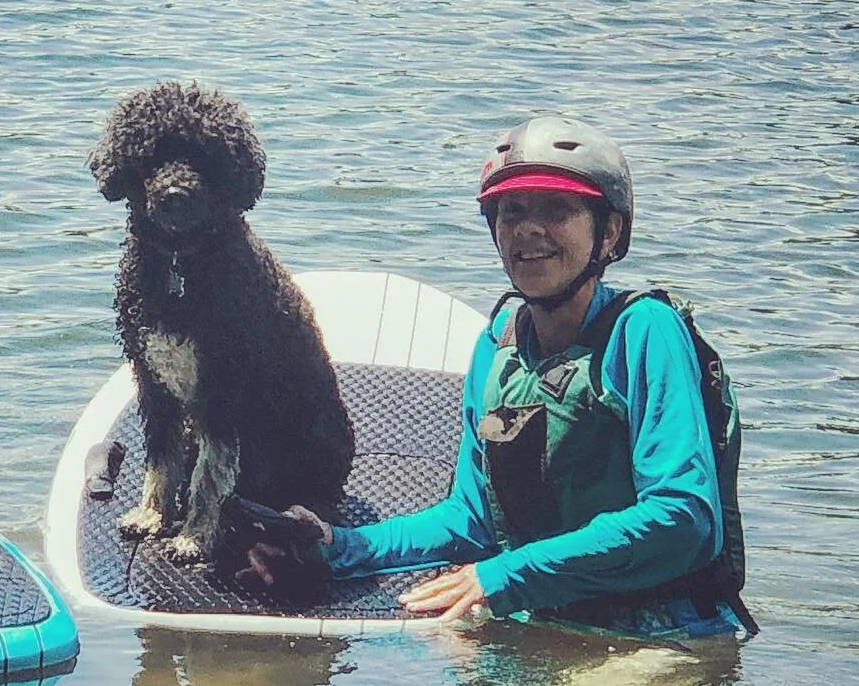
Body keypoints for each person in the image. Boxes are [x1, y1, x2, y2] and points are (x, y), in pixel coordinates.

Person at [243, 114, 751, 641]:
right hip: (546, 615)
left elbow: (684, 518)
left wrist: (505, 575)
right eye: (511, 213)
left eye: (557, 210)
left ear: (610, 231)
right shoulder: (497, 345)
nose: (528, 231)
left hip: (662, 635)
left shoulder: (643, 331)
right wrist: (336, 547)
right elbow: (472, 519)